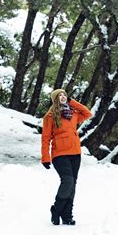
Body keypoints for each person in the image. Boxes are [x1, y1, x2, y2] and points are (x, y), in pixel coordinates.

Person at [41, 88, 92, 226]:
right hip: (60, 154)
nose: (63, 96)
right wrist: (45, 158)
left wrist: (71, 101)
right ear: (55, 99)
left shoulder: (73, 113)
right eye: (59, 95)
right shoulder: (50, 117)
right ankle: (56, 210)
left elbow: (87, 113)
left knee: (73, 184)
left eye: (64, 94)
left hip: (75, 152)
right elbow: (45, 139)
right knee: (67, 181)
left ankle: (67, 215)